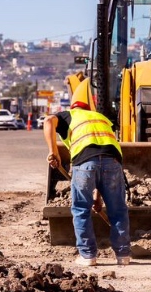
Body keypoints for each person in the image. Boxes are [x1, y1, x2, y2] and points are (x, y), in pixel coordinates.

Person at [45, 100, 131, 266]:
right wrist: (98, 198)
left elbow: (48, 121)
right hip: (112, 162)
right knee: (118, 210)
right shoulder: (101, 118)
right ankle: (123, 255)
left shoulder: (69, 115)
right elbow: (101, 162)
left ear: (73, 109)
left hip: (85, 162)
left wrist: (53, 152)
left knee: (80, 210)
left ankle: (88, 255)